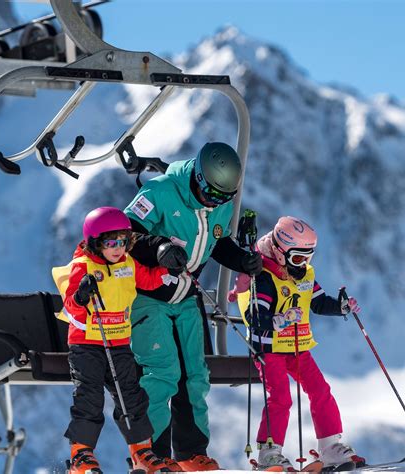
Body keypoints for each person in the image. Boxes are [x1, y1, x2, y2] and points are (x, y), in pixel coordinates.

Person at [124, 142, 263, 471]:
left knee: (195, 376)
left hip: (186, 297)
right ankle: (151, 457)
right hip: (149, 297)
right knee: (161, 375)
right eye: (212, 195)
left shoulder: (219, 206)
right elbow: (125, 235)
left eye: (223, 198)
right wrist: (158, 248)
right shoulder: (159, 193)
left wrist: (241, 260)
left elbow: (217, 240)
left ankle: (189, 454)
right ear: (198, 179)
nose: (216, 203)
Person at [54, 207, 182, 473]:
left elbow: (147, 280)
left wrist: (167, 268)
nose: (117, 248)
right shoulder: (83, 267)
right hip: (87, 344)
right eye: (110, 242)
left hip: (119, 343)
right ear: (95, 243)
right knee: (89, 396)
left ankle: (141, 451)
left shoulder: (127, 263)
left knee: (131, 396)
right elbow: (70, 307)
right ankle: (81, 455)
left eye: (123, 241)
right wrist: (81, 295)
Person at [232, 216, 366, 471]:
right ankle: (269, 452)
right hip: (270, 348)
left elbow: (317, 302)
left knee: (320, 390)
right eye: (297, 258)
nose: (303, 264)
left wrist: (340, 307)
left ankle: (330, 446)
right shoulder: (263, 276)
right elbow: (254, 315)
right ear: (280, 253)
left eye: (308, 258)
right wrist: (276, 321)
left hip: (297, 346)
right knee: (281, 397)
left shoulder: (304, 274)